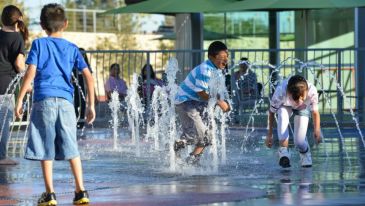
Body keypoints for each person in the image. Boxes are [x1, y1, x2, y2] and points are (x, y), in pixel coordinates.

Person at [14, 4, 95, 205]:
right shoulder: (72, 47)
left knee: (44, 145)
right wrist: (91, 105)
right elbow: (88, 76)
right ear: (65, 24)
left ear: (42, 25)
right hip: (66, 103)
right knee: (71, 146)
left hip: (44, 101)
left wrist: (20, 99)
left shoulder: (39, 45)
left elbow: (30, 73)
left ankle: (50, 194)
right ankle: (81, 191)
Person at [174, 41, 231, 165]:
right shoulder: (205, 70)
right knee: (203, 136)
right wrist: (220, 102)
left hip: (197, 103)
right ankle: (180, 151)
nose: (225, 61)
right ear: (211, 57)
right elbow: (201, 93)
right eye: (222, 58)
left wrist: (223, 101)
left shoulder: (217, 70)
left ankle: (190, 161)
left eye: (227, 57)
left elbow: (213, 92)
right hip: (186, 101)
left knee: (206, 136)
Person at [265, 75, 321, 168]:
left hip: (304, 107)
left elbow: (315, 112)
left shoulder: (312, 91)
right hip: (285, 106)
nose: (298, 103)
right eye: (294, 98)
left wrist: (317, 130)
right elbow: (271, 113)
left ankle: (305, 153)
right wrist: (269, 134)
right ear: (288, 92)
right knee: (282, 114)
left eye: (302, 98)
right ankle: (283, 152)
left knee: (299, 141)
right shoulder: (280, 92)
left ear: (307, 91)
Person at [0, 5, 28, 165]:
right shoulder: (16, 38)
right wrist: (27, 80)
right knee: (3, 124)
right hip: (5, 86)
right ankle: (1, 156)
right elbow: (19, 63)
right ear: (18, 20)